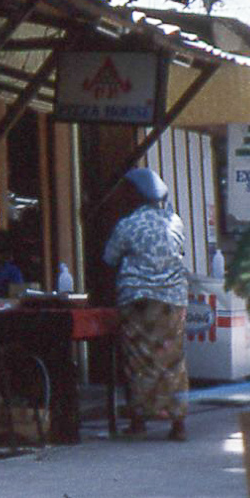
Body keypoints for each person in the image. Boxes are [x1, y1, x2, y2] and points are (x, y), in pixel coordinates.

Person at [103, 168, 189, 440]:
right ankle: (178, 424)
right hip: (173, 301)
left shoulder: (128, 225)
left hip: (137, 300)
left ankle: (139, 421)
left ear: (135, 194)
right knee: (172, 359)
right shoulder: (175, 221)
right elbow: (179, 253)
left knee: (138, 359)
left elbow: (109, 259)